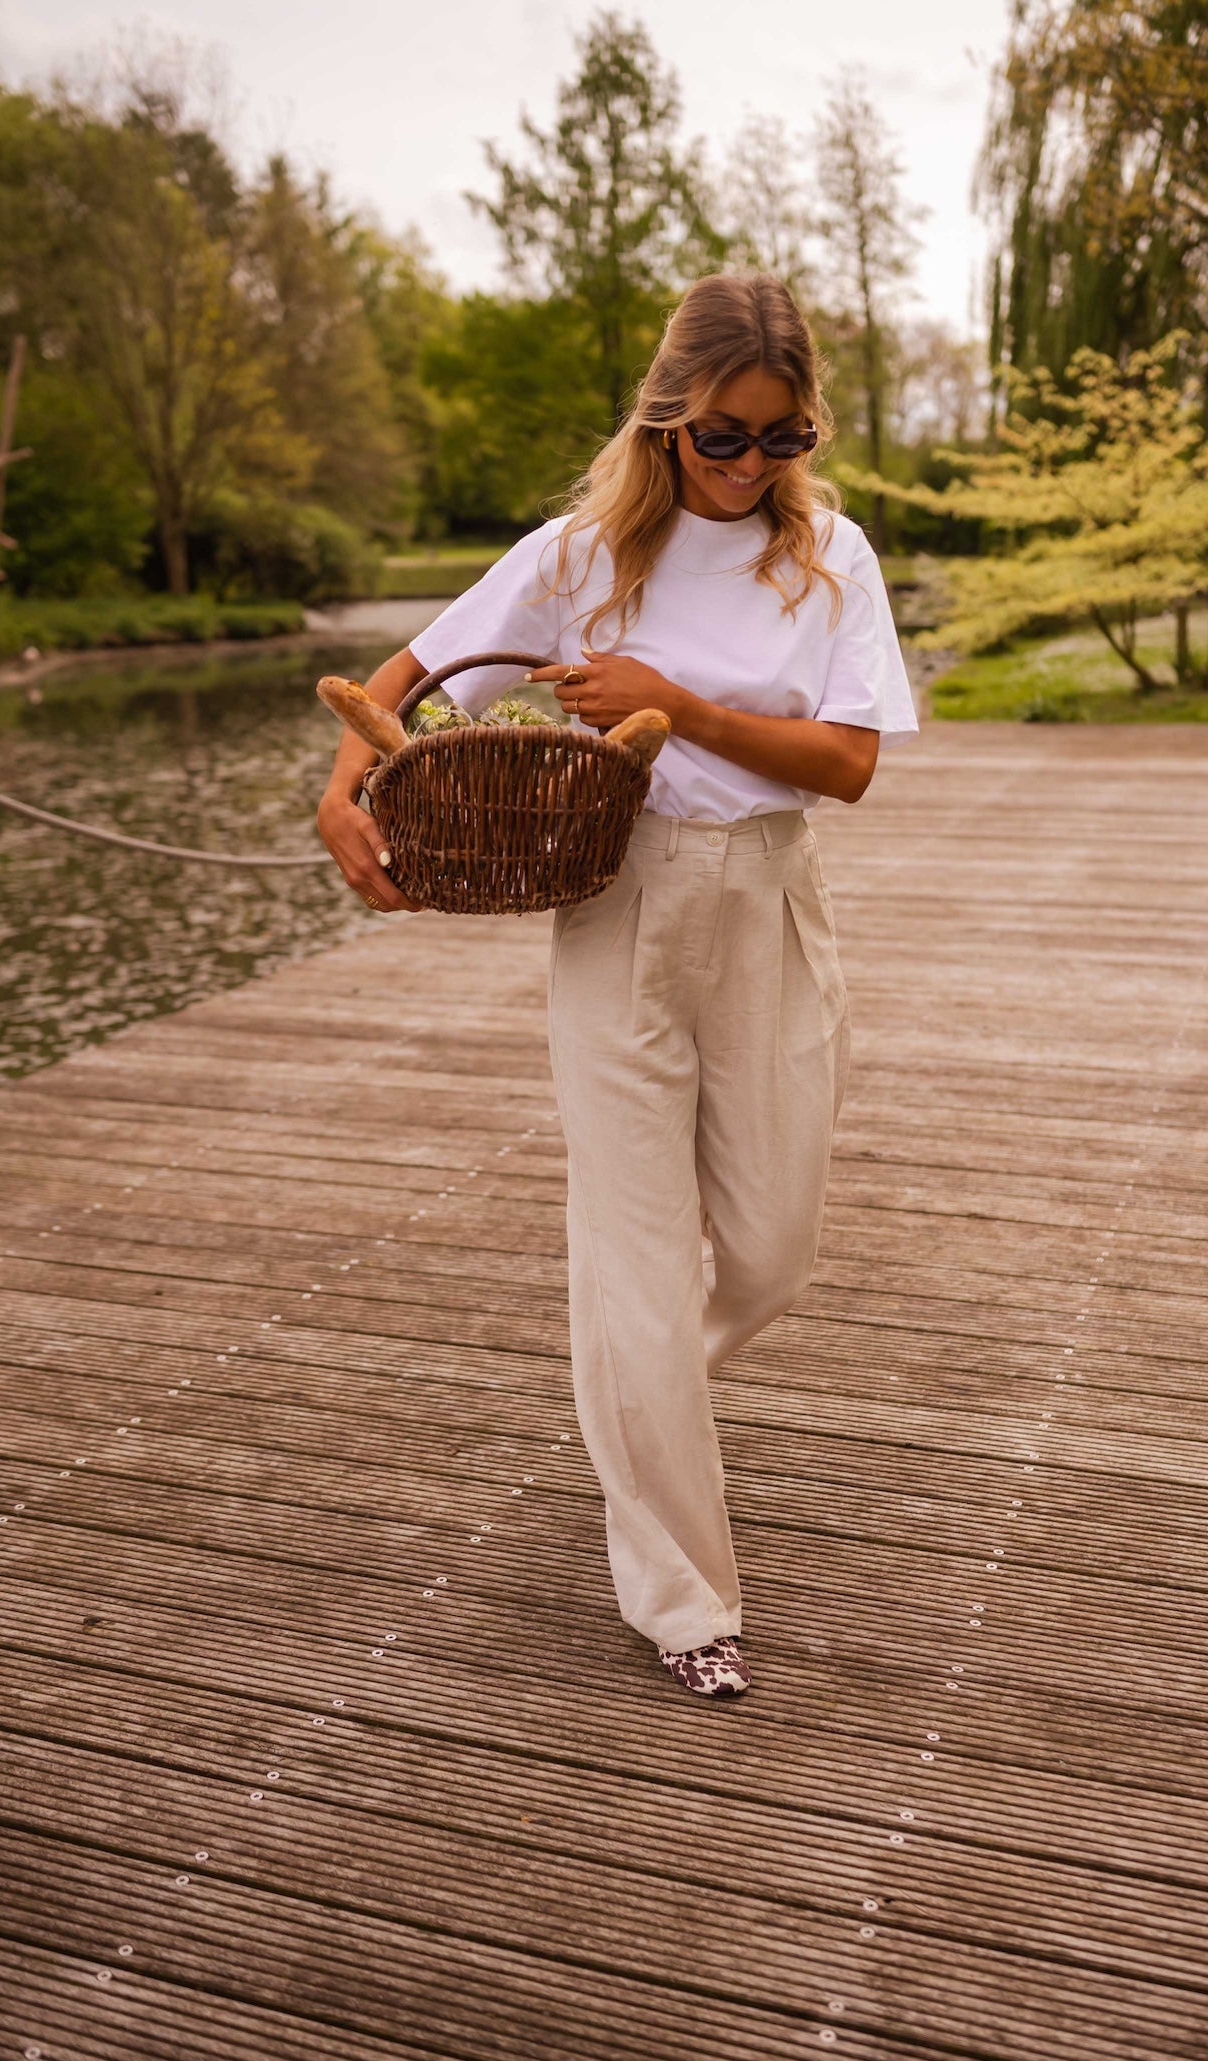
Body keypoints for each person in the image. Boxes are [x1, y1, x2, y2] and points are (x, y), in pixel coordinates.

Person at [316, 271, 919, 1699]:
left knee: (770, 1252)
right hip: (618, 906)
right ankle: (682, 1597)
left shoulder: (835, 558)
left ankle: (631, 1403)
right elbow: (403, 682)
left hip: (770, 902)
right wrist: (348, 795)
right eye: (726, 436)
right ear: (668, 419)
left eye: (785, 439)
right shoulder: (578, 555)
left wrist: (681, 704)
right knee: (636, 1265)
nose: (753, 466)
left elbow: (849, 765)